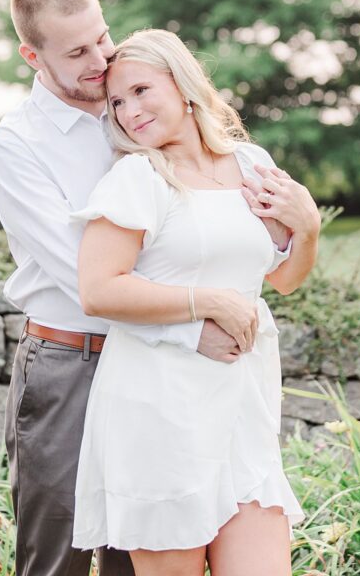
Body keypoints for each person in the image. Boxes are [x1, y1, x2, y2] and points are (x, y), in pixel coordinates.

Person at [0, 0, 314, 576]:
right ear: (32, 55)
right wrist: (194, 325)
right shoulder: (17, 147)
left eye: (102, 38)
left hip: (184, 374)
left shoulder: (137, 106)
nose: (100, 60)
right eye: (77, 52)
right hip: (73, 363)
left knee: (144, 560)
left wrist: (302, 230)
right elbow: (83, 277)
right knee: (62, 557)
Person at [70, 28, 320, 576]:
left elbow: (284, 281)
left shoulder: (253, 164)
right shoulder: (137, 178)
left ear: (182, 85)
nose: (129, 110)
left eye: (141, 90)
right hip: (159, 409)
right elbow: (99, 288)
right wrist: (208, 302)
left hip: (242, 406)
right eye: (116, 102)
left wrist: (309, 228)